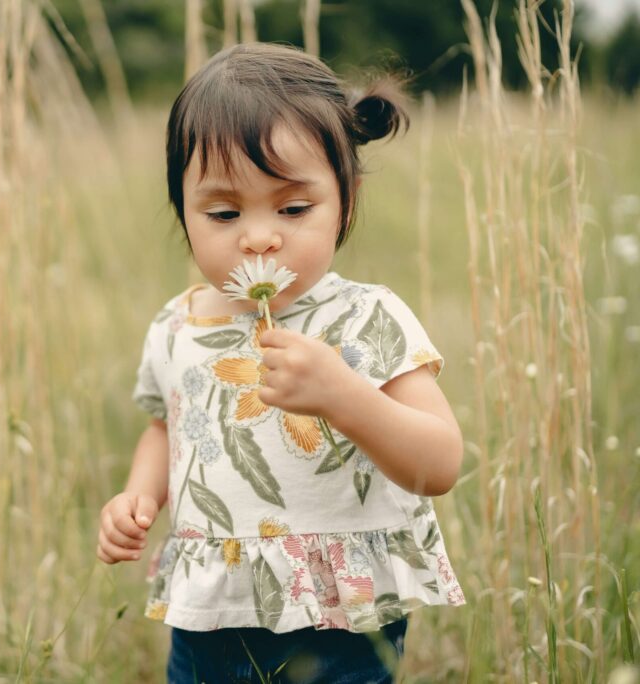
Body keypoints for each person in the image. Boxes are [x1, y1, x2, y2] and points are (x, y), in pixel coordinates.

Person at [96, 42, 466, 683]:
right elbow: (166, 425)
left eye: (294, 208)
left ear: (344, 200)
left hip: (338, 616)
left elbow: (438, 465)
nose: (259, 235)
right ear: (183, 210)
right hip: (209, 608)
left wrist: (342, 395)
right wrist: (137, 495)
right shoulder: (179, 324)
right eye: (223, 212)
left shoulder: (366, 317)